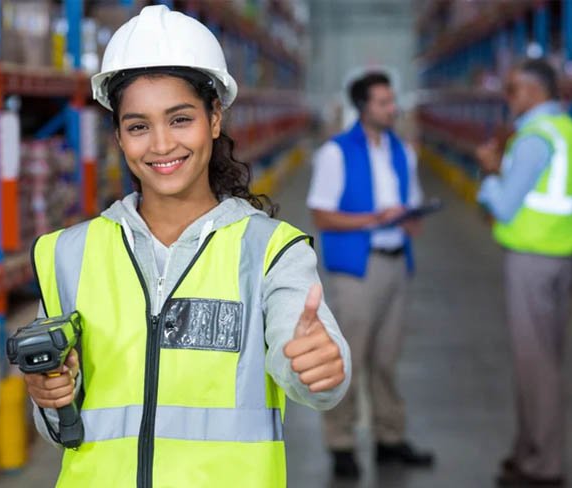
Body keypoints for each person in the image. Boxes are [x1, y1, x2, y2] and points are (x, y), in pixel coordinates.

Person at [22, 6, 351, 487]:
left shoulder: (269, 252)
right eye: (138, 126)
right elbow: (61, 430)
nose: (160, 144)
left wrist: (316, 367)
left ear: (215, 118)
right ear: (117, 135)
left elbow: (306, 366)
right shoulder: (68, 254)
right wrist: (51, 396)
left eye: (180, 119)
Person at [307, 71, 434, 480]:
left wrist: (412, 219)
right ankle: (341, 443)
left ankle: (389, 439)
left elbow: (408, 202)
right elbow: (322, 214)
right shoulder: (336, 153)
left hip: (397, 263)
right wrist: (373, 219)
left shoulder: (402, 151)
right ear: (364, 107)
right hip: (358, 270)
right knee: (349, 359)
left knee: (386, 359)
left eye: (392, 101)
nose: (392, 109)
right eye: (383, 102)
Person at [475, 59, 572, 488]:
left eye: (513, 90)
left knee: (535, 366)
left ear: (533, 91)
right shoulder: (571, 133)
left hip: (532, 260)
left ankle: (543, 467)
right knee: (544, 360)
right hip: (562, 257)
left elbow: (504, 205)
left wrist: (490, 171)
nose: (509, 99)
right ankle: (527, 450)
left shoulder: (533, 138)